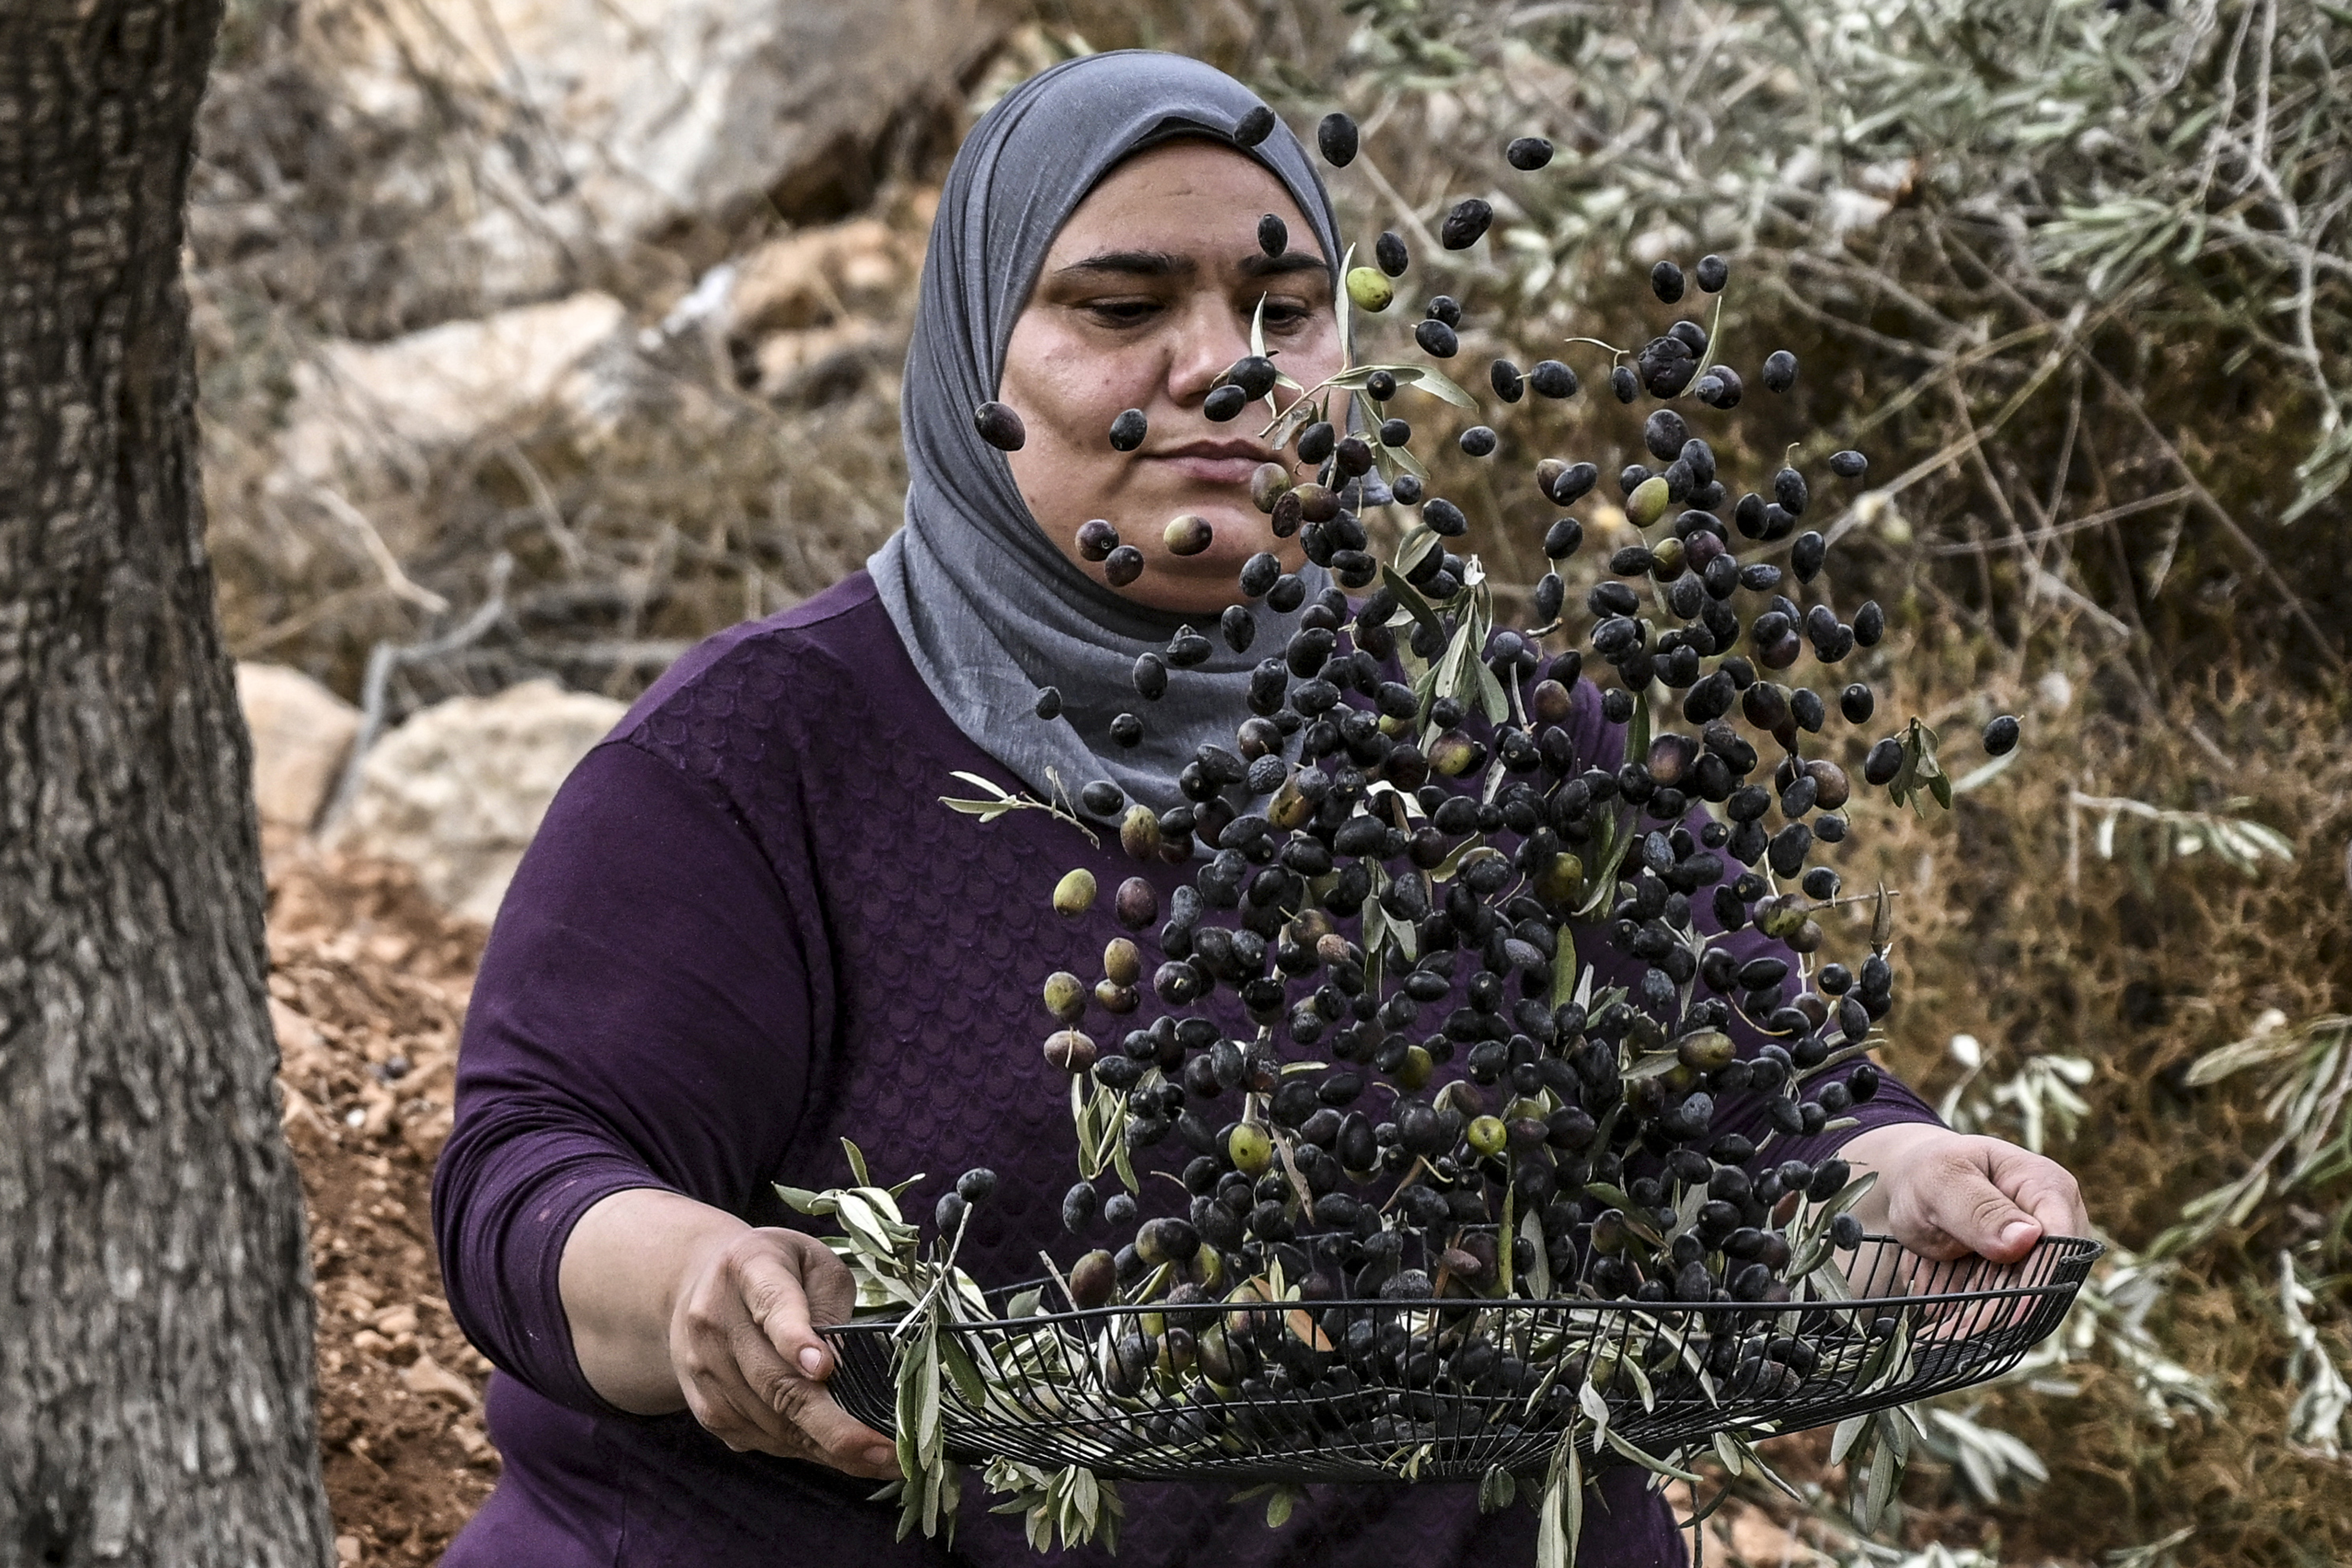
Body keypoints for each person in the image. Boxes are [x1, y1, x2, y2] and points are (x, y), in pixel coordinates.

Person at [432, 50, 2089, 1568]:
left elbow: (1765, 1117)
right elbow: (532, 1176)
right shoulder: (761, 760)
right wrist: (702, 1288)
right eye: (1123, 301)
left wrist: (1911, 1185)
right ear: (970, 357)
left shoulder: (1499, 746)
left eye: (1282, 308)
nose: (1224, 368)